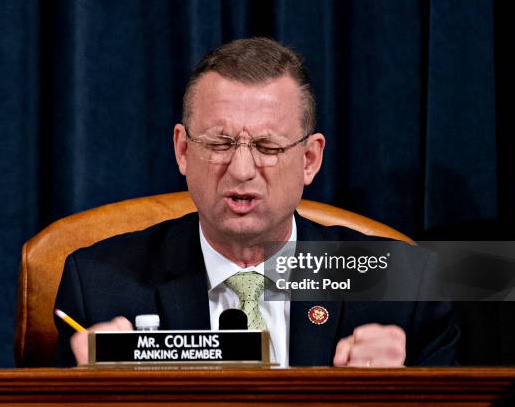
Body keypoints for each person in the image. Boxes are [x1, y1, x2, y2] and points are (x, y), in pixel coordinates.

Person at [54, 38, 458, 367]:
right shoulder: (99, 287)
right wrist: (97, 396)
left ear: (309, 159)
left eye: (267, 146)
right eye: (219, 143)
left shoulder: (406, 288)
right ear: (181, 150)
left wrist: (403, 393)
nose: (242, 170)